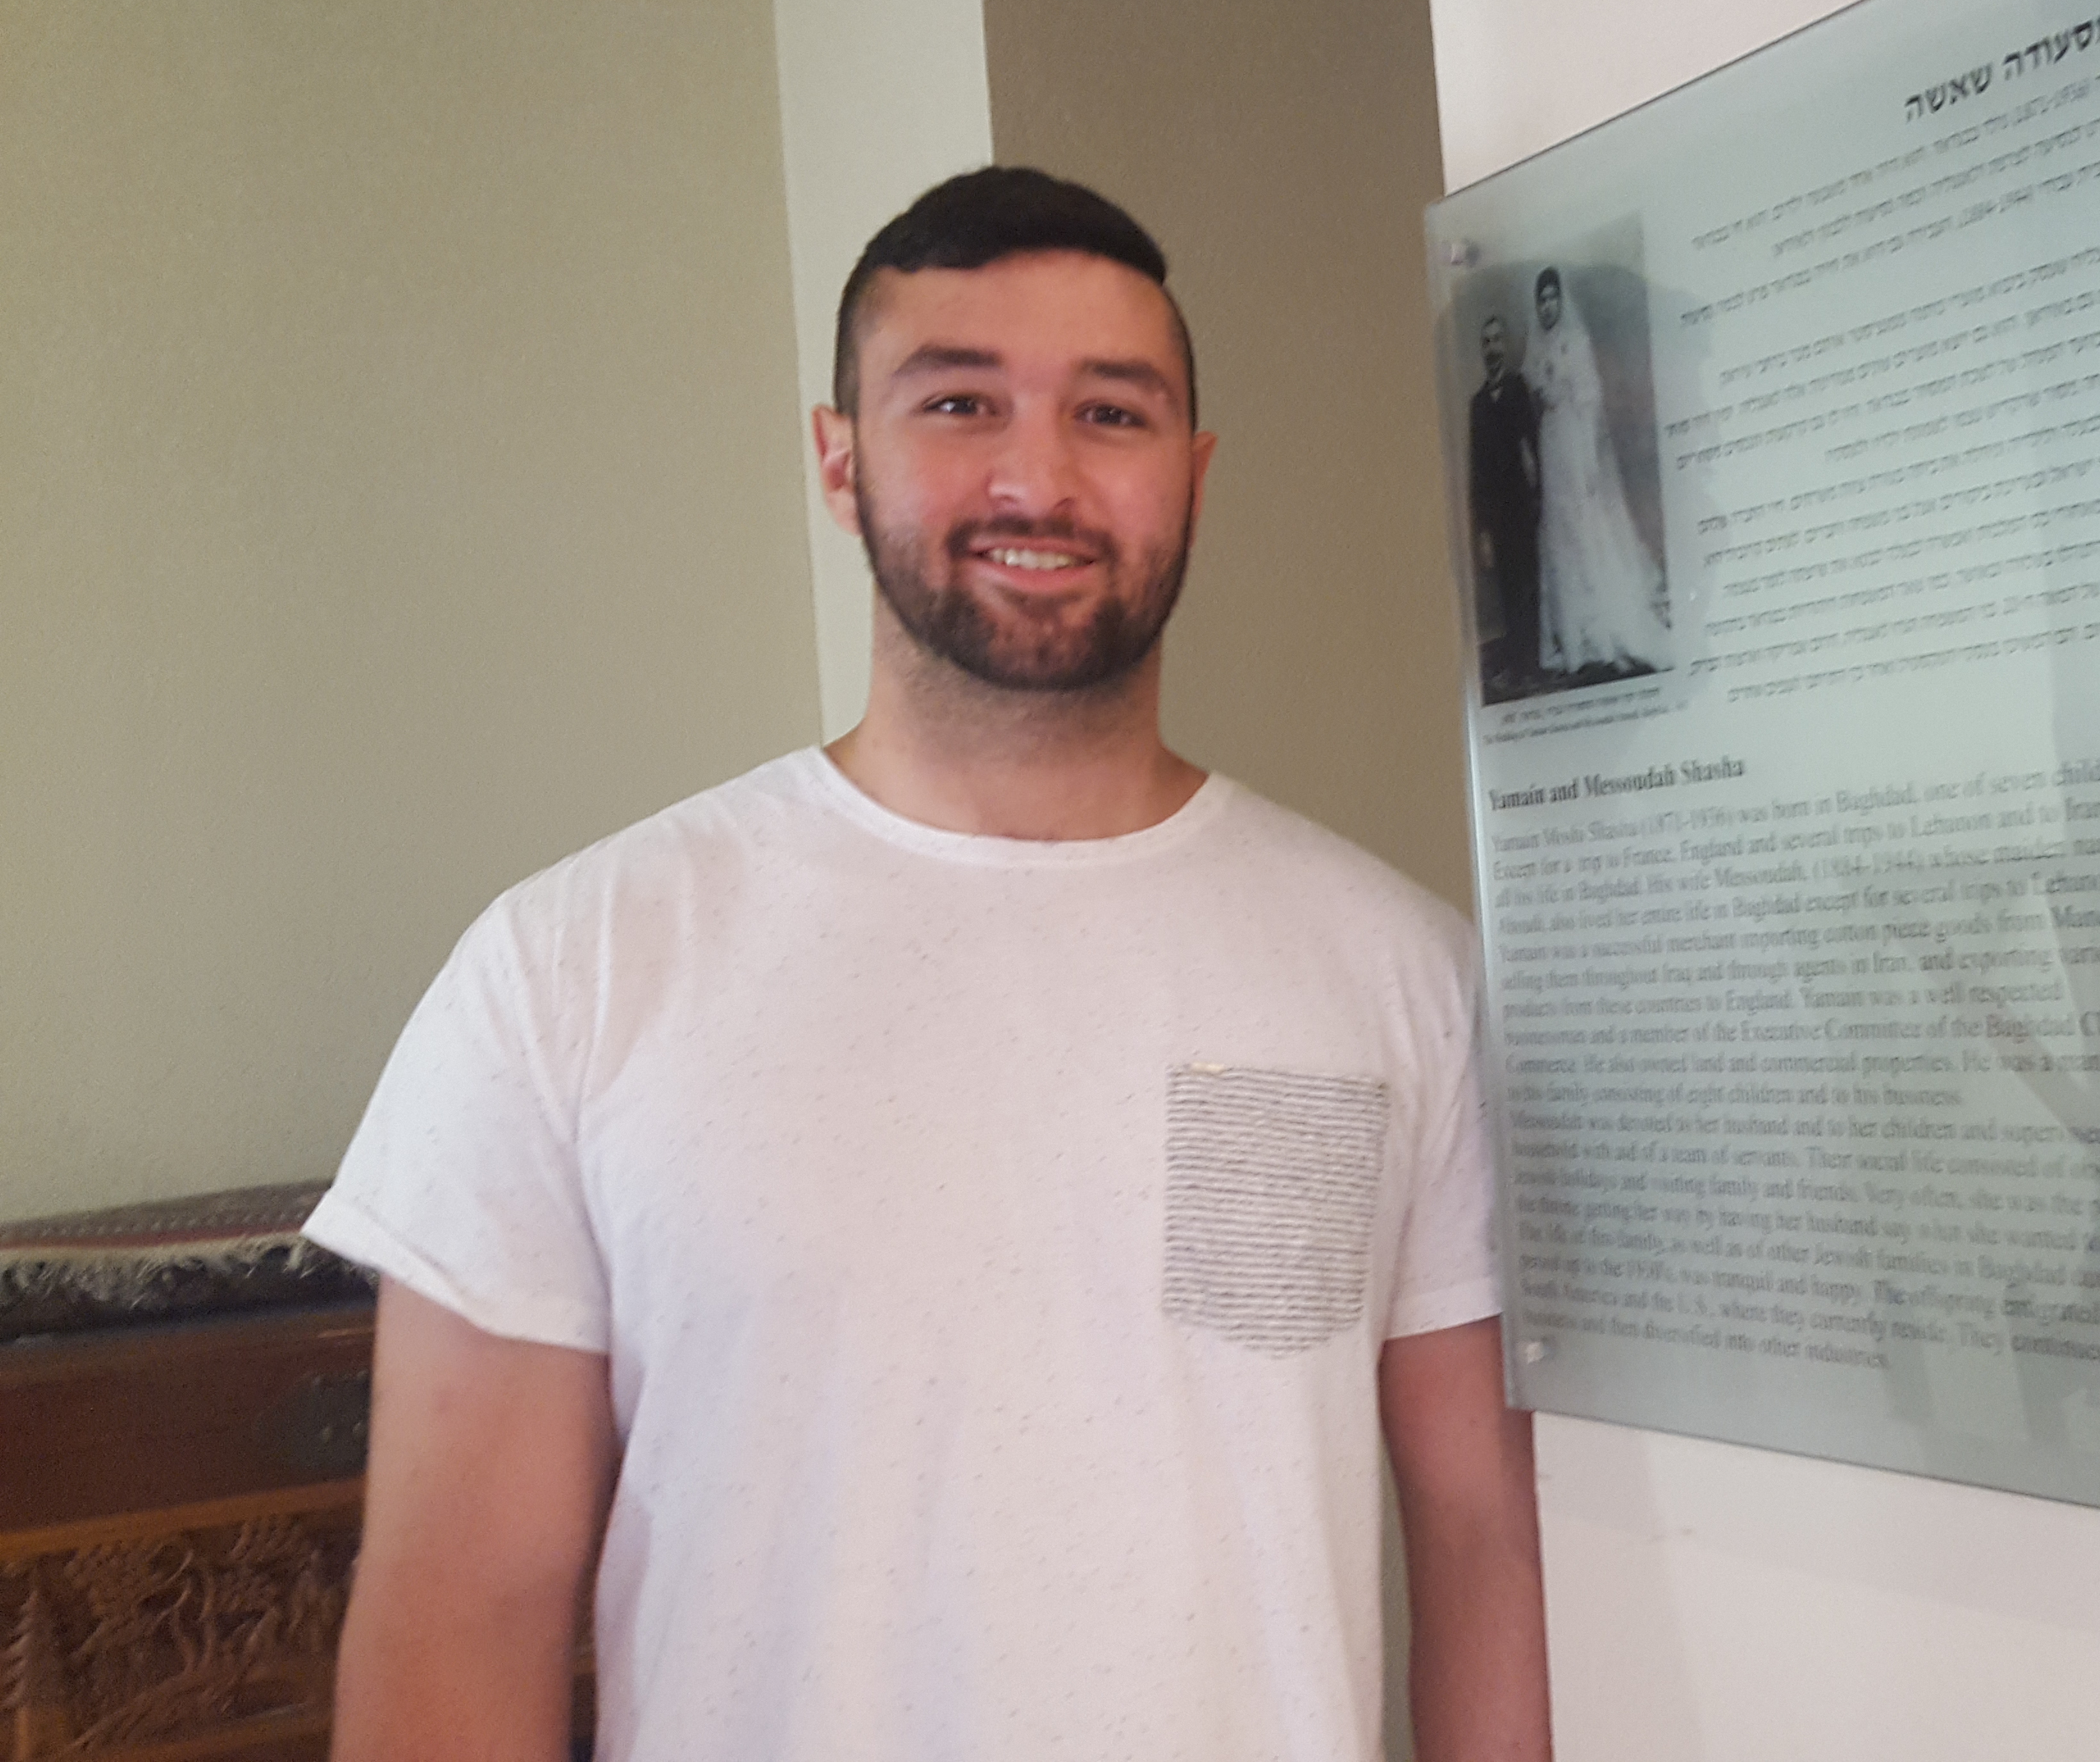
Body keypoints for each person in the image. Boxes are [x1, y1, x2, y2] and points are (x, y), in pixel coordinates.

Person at [306, 167, 1551, 1762]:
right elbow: (462, 1611)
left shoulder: (1399, 975)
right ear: (839, 459)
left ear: (1192, 472)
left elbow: (1486, 1544)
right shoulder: (572, 970)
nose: (1037, 477)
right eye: (958, 402)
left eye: (1111, 413)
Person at [1522, 267, 1670, 676]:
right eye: (1541, 300)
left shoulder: (1577, 341)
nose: (1547, 306)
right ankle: (1572, 635)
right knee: (1560, 533)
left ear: (1561, 300)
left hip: (1576, 440)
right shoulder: (1535, 348)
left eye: (1552, 298)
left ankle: (1601, 628)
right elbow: (1535, 397)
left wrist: (1589, 462)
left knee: (1586, 528)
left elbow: (1589, 406)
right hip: (1551, 442)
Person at [1464, 313, 1544, 700]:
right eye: (1486, 343)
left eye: (1497, 340)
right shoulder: (1477, 405)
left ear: (1506, 346)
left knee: (1529, 583)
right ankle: (1516, 664)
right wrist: (1482, 533)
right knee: (1508, 587)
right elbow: (1477, 473)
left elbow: (1530, 447)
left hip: (1521, 505)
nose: (1492, 349)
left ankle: (1532, 663)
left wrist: (1536, 496)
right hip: (1496, 515)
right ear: (1482, 351)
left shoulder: (1517, 389)